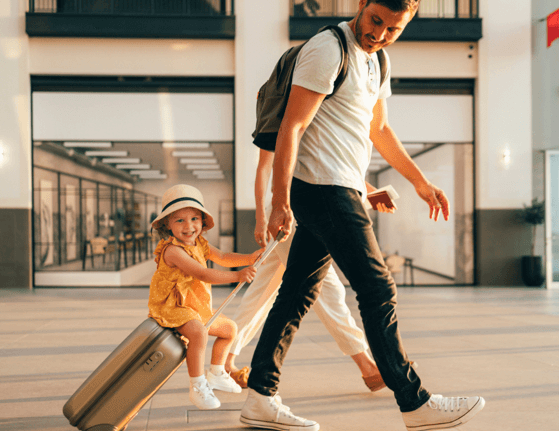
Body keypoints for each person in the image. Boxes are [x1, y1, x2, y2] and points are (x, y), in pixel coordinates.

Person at [239, 1, 486, 430]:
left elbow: (379, 130)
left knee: (296, 294)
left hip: (341, 188)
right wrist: (280, 201)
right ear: (361, 6)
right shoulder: (328, 49)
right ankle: (414, 401)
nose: (380, 34)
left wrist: (419, 182)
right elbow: (292, 128)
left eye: (393, 29)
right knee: (377, 288)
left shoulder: (379, 61)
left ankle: (260, 395)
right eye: (375, 21)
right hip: (322, 189)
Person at [224, 148, 387, 392]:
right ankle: (368, 367)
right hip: (287, 215)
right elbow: (264, 168)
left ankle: (224, 361)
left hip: (310, 212)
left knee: (261, 292)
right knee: (326, 288)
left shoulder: (317, 122)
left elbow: (330, 167)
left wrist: (371, 192)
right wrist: (260, 217)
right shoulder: (282, 118)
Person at [148, 184, 263, 410]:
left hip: (193, 306)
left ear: (202, 221)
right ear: (167, 225)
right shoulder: (173, 251)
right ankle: (197, 385)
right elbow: (202, 274)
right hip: (173, 306)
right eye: (179, 220)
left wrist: (249, 258)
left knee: (229, 329)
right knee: (199, 332)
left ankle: (217, 372)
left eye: (194, 218)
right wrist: (237, 276)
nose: (188, 226)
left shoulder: (200, 243)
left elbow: (223, 257)